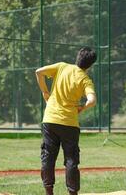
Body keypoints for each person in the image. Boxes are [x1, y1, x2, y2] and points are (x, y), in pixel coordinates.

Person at [35, 47, 97, 195]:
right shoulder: (85, 79)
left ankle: (49, 192)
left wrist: (45, 92)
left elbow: (38, 72)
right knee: (71, 160)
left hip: (50, 119)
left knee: (48, 157)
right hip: (69, 123)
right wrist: (82, 108)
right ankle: (72, 193)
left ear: (78, 57)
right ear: (90, 65)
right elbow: (92, 100)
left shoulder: (62, 67)